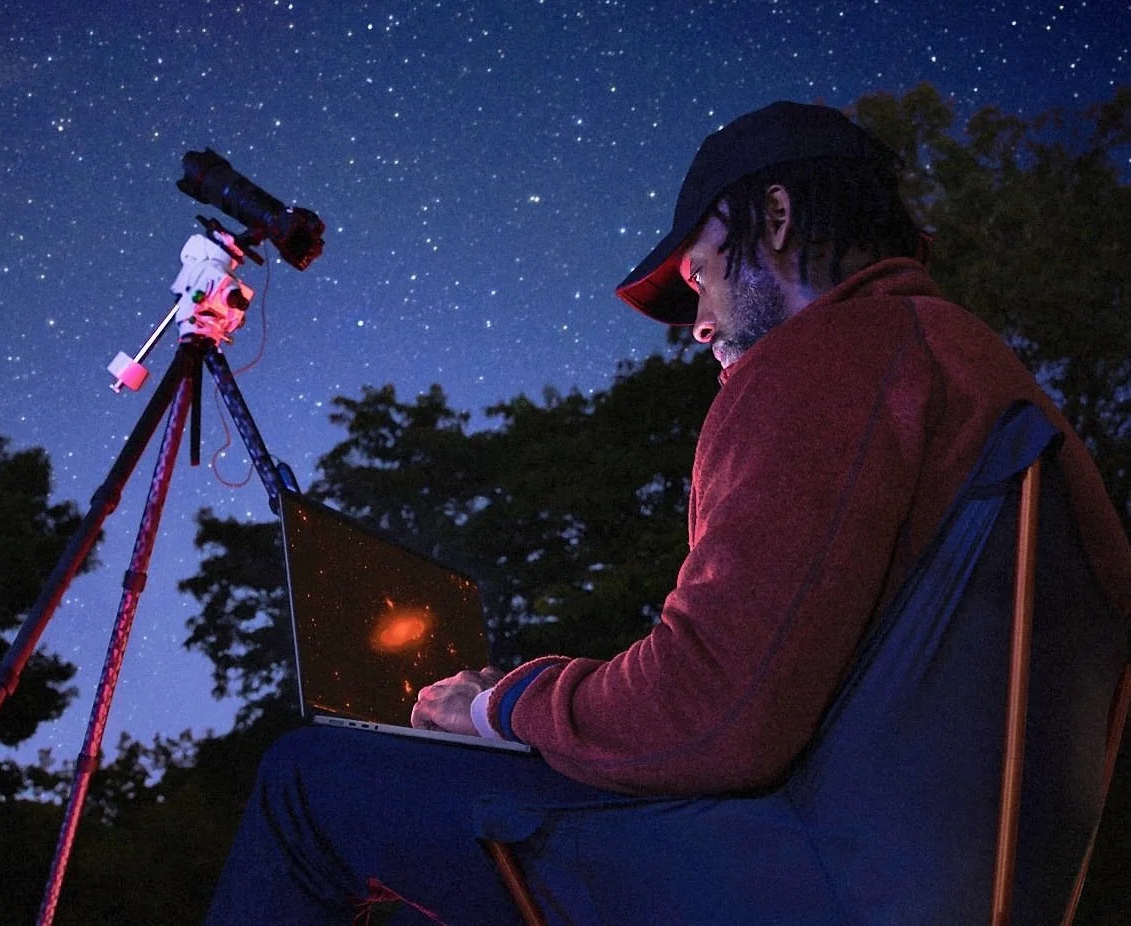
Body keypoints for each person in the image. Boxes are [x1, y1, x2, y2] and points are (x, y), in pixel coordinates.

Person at [203, 101, 1131, 925]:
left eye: (700, 273)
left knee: (308, 782)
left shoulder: (828, 358)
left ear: (773, 219)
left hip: (803, 872)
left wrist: (498, 702)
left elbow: (710, 715)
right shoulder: (980, 371)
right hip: (921, 873)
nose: (696, 320)